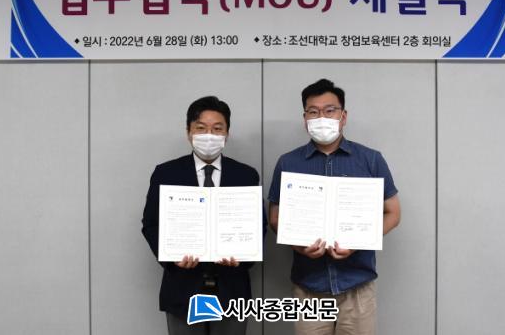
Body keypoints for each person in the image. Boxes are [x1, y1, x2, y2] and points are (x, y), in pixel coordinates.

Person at [268, 79, 401, 335]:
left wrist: (358, 241)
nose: (322, 118)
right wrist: (298, 245)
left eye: (329, 110)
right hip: (309, 289)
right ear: (305, 118)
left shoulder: (370, 159)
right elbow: (275, 216)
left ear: (343, 116)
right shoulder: (288, 162)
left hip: (357, 287)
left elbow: (393, 213)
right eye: (313, 111)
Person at [142, 96, 263, 335]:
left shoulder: (245, 175)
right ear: (188, 132)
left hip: (231, 288)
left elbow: (259, 226)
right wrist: (172, 258)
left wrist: (243, 257)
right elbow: (151, 224)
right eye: (201, 128)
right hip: (182, 287)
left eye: (217, 128)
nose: (209, 135)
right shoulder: (166, 173)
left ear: (227, 134)